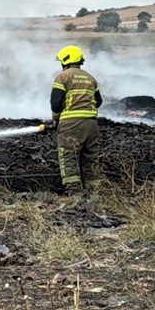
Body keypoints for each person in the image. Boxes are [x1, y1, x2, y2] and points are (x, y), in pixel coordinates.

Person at [50, 45, 102, 196]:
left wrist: (56, 119)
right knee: (90, 157)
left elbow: (56, 102)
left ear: (66, 60)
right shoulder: (90, 77)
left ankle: (74, 192)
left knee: (68, 155)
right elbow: (98, 101)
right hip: (92, 124)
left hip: (71, 124)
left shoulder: (63, 77)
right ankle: (95, 190)